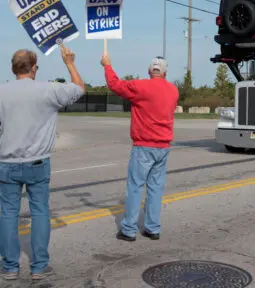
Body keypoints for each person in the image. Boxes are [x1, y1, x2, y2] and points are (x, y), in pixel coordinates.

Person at [0, 46, 85, 281]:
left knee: (8, 213)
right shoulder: (48, 90)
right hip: (37, 163)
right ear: (34, 67)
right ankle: (39, 266)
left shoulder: (1, 92)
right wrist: (69, 62)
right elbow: (79, 88)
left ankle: (9, 267)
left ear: (12, 68)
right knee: (39, 211)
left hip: (7, 162)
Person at [101, 53, 178, 242]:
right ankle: (152, 228)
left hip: (144, 145)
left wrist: (107, 65)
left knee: (135, 187)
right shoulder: (173, 91)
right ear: (165, 72)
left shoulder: (141, 86)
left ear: (149, 70)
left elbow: (115, 85)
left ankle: (128, 230)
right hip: (163, 146)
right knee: (155, 189)